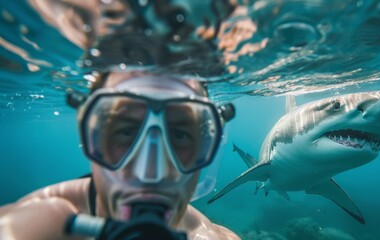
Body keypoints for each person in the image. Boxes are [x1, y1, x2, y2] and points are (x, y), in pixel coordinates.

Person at [0, 70, 240, 240]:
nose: (150, 173)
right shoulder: (41, 221)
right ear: (91, 137)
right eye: (126, 131)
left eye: (179, 135)